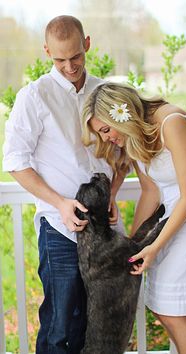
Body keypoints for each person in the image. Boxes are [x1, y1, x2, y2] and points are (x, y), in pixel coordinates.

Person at [81, 82, 186, 354]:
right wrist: (132, 244)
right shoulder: (134, 137)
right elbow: (150, 192)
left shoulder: (172, 123)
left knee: (184, 308)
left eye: (106, 129)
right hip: (176, 219)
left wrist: (155, 247)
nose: (106, 139)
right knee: (166, 309)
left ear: (121, 113)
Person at [2, 16, 124, 354]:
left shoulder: (105, 92)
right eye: (59, 59)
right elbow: (14, 162)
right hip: (59, 229)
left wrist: (112, 195)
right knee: (60, 325)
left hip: (103, 229)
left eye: (75, 56)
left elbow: (122, 152)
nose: (69, 66)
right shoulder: (34, 96)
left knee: (96, 322)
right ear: (46, 52)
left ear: (87, 44)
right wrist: (59, 203)